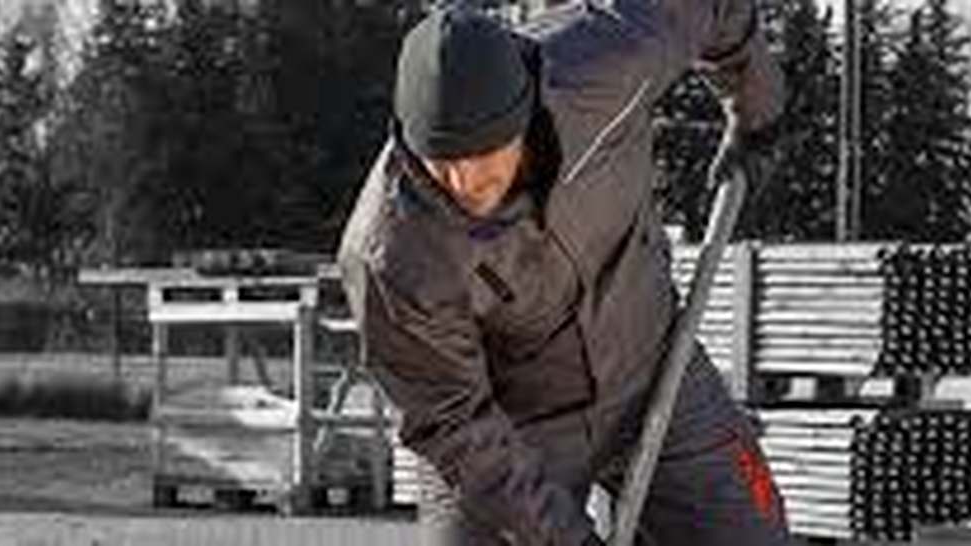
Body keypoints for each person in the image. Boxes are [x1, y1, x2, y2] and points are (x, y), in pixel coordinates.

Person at [335, 1, 786, 545]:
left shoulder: (604, 61)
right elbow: (455, 425)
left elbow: (716, 10)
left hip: (653, 368)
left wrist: (757, 112)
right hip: (509, 431)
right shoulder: (394, 255)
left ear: (524, 115)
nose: (462, 182)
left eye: (483, 155)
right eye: (440, 161)